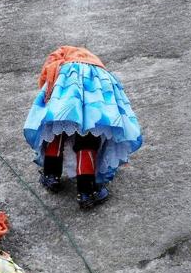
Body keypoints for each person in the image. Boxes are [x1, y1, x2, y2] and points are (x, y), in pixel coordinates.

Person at [23, 46, 143, 209]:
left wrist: (47, 92)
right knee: (88, 137)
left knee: (56, 129)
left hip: (69, 87)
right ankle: (86, 192)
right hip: (97, 90)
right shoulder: (97, 65)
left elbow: (48, 71)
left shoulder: (63, 53)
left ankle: (51, 176)